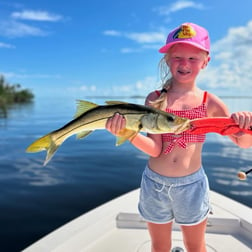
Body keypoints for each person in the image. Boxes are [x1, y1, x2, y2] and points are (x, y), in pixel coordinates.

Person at [106, 22, 252, 252]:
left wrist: (245, 123)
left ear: (206, 61)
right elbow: (155, 149)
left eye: (193, 58)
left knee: (195, 246)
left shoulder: (210, 102)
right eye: (178, 57)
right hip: (154, 183)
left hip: (191, 185)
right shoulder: (155, 99)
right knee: (159, 246)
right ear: (167, 59)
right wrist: (127, 133)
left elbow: (242, 142)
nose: (184, 64)